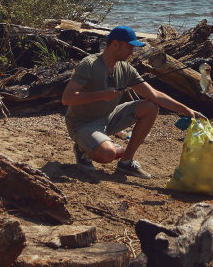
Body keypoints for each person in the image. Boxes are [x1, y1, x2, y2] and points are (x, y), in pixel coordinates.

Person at [62, 25, 202, 179]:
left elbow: (155, 95)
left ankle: (126, 162)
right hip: (82, 123)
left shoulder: (125, 68)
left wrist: (187, 110)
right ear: (115, 44)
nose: (132, 52)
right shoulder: (89, 64)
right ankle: (82, 149)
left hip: (108, 117)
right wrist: (101, 95)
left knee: (150, 107)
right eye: (129, 47)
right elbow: (67, 98)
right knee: (108, 154)